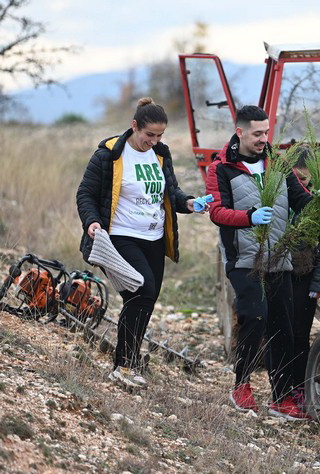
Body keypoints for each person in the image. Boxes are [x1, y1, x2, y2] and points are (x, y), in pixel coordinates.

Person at [206, 105, 320, 421]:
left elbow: (301, 201)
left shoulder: (277, 164)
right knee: (255, 317)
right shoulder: (221, 169)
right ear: (240, 133)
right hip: (244, 259)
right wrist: (248, 217)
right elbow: (217, 212)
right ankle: (241, 385)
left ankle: (282, 398)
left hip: (279, 260)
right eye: (257, 133)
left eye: (266, 132)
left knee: (283, 328)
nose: (263, 139)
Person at [76, 97, 210, 390]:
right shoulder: (109, 155)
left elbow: (170, 193)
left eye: (160, 135)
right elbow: (85, 193)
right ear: (134, 126)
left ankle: (130, 360)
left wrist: (189, 203)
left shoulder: (161, 155)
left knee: (145, 301)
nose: (154, 141)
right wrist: (92, 222)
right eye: (149, 134)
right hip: (122, 236)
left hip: (154, 238)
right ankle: (122, 365)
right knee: (142, 290)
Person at [290, 148, 320, 408]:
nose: (301, 184)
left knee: (299, 335)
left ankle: (298, 390)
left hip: (304, 275)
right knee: (279, 332)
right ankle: (281, 390)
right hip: (277, 272)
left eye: (306, 180)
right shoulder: (277, 189)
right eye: (296, 178)